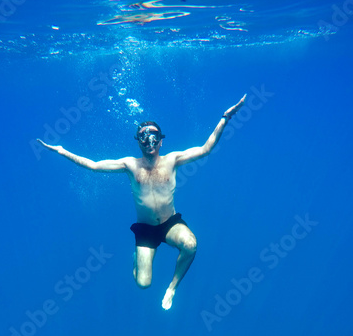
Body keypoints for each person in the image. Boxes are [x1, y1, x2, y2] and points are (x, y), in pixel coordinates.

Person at [38, 95, 246, 310]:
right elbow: (94, 165)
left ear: (161, 140)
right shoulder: (129, 164)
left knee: (191, 245)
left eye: (154, 136)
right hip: (145, 229)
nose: (149, 141)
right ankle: (136, 259)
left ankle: (172, 287)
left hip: (170, 224)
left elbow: (205, 149)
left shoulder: (173, 159)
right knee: (143, 284)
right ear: (138, 141)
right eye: (143, 138)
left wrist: (225, 118)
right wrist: (62, 151)